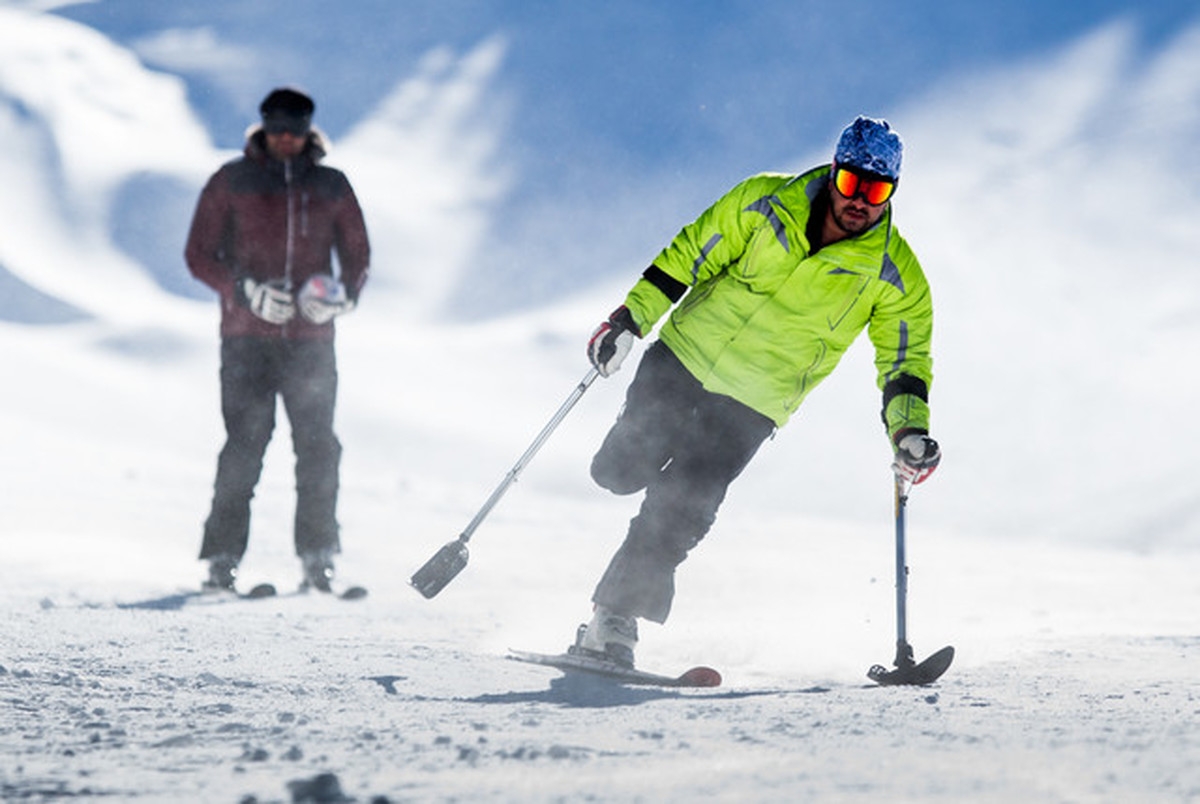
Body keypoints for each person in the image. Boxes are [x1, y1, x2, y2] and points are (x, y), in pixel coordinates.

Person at [575, 116, 941, 667]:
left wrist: (909, 430)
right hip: (683, 359)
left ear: (891, 193)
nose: (860, 202)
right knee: (619, 472)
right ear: (834, 174)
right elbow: (688, 255)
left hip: (753, 401)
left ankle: (614, 619)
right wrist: (629, 320)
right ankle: (627, 475)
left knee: (682, 508)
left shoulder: (894, 274)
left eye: (877, 190)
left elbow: (904, 360)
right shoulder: (764, 202)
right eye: (851, 185)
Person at [185, 87, 370, 592]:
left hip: (310, 342)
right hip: (246, 340)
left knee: (318, 447)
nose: (284, 138)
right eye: (276, 128)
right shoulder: (231, 180)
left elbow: (358, 255)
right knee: (244, 445)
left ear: (308, 129)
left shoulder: (332, 185)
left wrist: (343, 298)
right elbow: (198, 254)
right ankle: (222, 559)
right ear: (263, 128)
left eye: (294, 129)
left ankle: (318, 557)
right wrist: (242, 291)